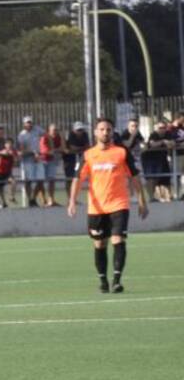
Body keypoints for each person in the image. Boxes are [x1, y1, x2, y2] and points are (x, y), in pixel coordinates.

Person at [67, 117, 148, 293]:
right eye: (102, 129)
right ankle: (103, 281)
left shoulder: (121, 152)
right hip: (96, 208)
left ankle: (117, 280)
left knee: (118, 239)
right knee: (100, 244)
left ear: (112, 132)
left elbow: (135, 177)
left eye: (108, 130)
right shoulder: (88, 155)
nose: (105, 132)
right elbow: (77, 179)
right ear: (95, 132)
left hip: (119, 204)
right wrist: (72, 201)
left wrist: (142, 200)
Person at [142, 120, 174, 202]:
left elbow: (172, 144)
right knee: (152, 178)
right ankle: (150, 197)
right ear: (156, 128)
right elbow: (153, 144)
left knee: (165, 177)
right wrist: (163, 141)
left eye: (164, 127)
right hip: (150, 158)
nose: (162, 129)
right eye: (160, 128)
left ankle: (169, 196)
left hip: (161, 158)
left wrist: (167, 143)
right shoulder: (154, 134)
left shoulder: (168, 134)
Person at [16, 116, 45, 207]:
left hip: (38, 158)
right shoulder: (21, 135)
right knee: (28, 180)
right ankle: (30, 200)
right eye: (27, 123)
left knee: (41, 180)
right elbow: (21, 150)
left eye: (30, 122)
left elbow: (46, 136)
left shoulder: (37, 129)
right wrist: (33, 153)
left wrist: (45, 149)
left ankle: (33, 198)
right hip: (27, 159)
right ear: (24, 124)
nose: (29, 124)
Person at [40, 123, 65, 207]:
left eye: (57, 130)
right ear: (49, 131)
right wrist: (54, 150)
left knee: (52, 180)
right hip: (43, 161)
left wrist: (61, 138)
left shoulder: (58, 137)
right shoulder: (44, 137)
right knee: (40, 181)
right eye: (54, 130)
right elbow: (45, 151)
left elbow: (62, 148)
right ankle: (44, 200)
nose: (55, 131)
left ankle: (51, 200)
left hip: (52, 161)